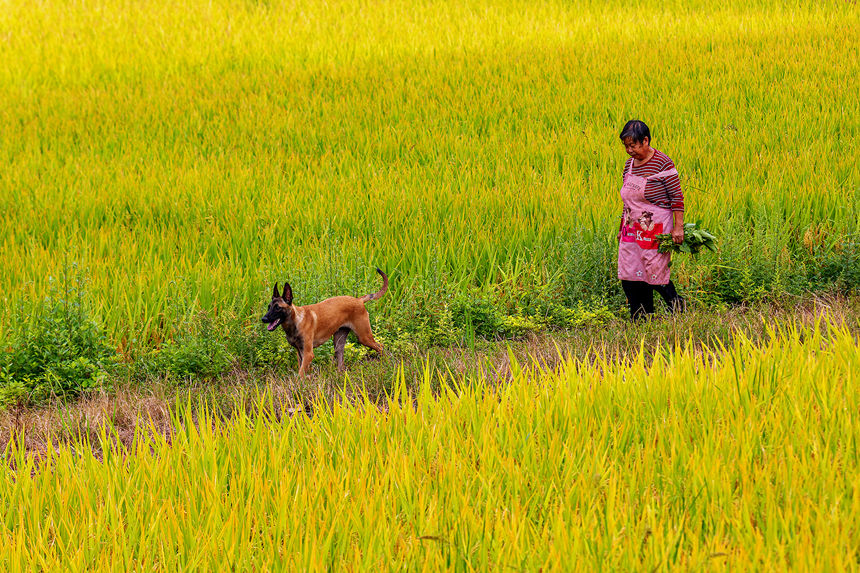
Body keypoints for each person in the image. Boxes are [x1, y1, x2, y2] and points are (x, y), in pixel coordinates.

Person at [616, 120, 686, 320]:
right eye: (626, 146)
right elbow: (627, 198)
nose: (629, 150)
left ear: (645, 141)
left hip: (655, 227)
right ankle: (640, 317)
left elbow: (677, 198)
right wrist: (622, 225)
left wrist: (678, 228)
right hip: (631, 227)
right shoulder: (629, 164)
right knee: (630, 274)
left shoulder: (663, 163)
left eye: (633, 145)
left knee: (655, 273)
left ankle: (678, 308)